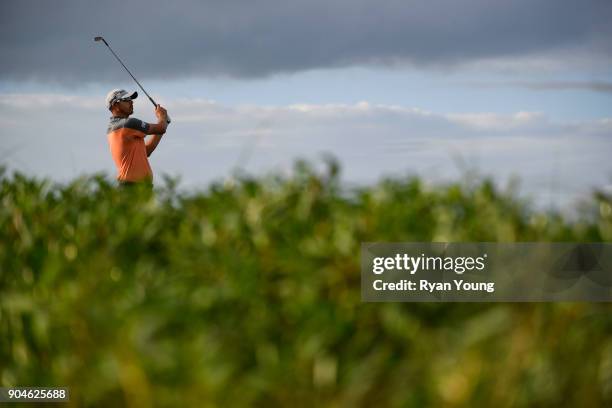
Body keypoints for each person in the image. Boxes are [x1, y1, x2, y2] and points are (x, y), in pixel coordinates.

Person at [105, 89, 169, 186]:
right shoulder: (129, 123)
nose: (131, 102)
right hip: (131, 187)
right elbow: (161, 128)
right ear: (115, 105)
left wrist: (164, 121)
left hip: (136, 187)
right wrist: (162, 116)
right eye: (126, 99)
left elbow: (147, 151)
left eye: (131, 99)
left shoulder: (115, 127)